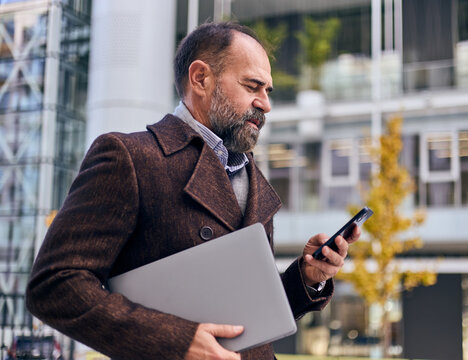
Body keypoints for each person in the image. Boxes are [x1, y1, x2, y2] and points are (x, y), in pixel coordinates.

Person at [25, 22, 360, 360]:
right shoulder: (129, 157)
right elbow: (55, 285)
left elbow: (245, 315)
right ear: (200, 78)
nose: (266, 104)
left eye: (268, 91)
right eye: (253, 86)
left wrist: (306, 277)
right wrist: (177, 341)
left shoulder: (251, 175)